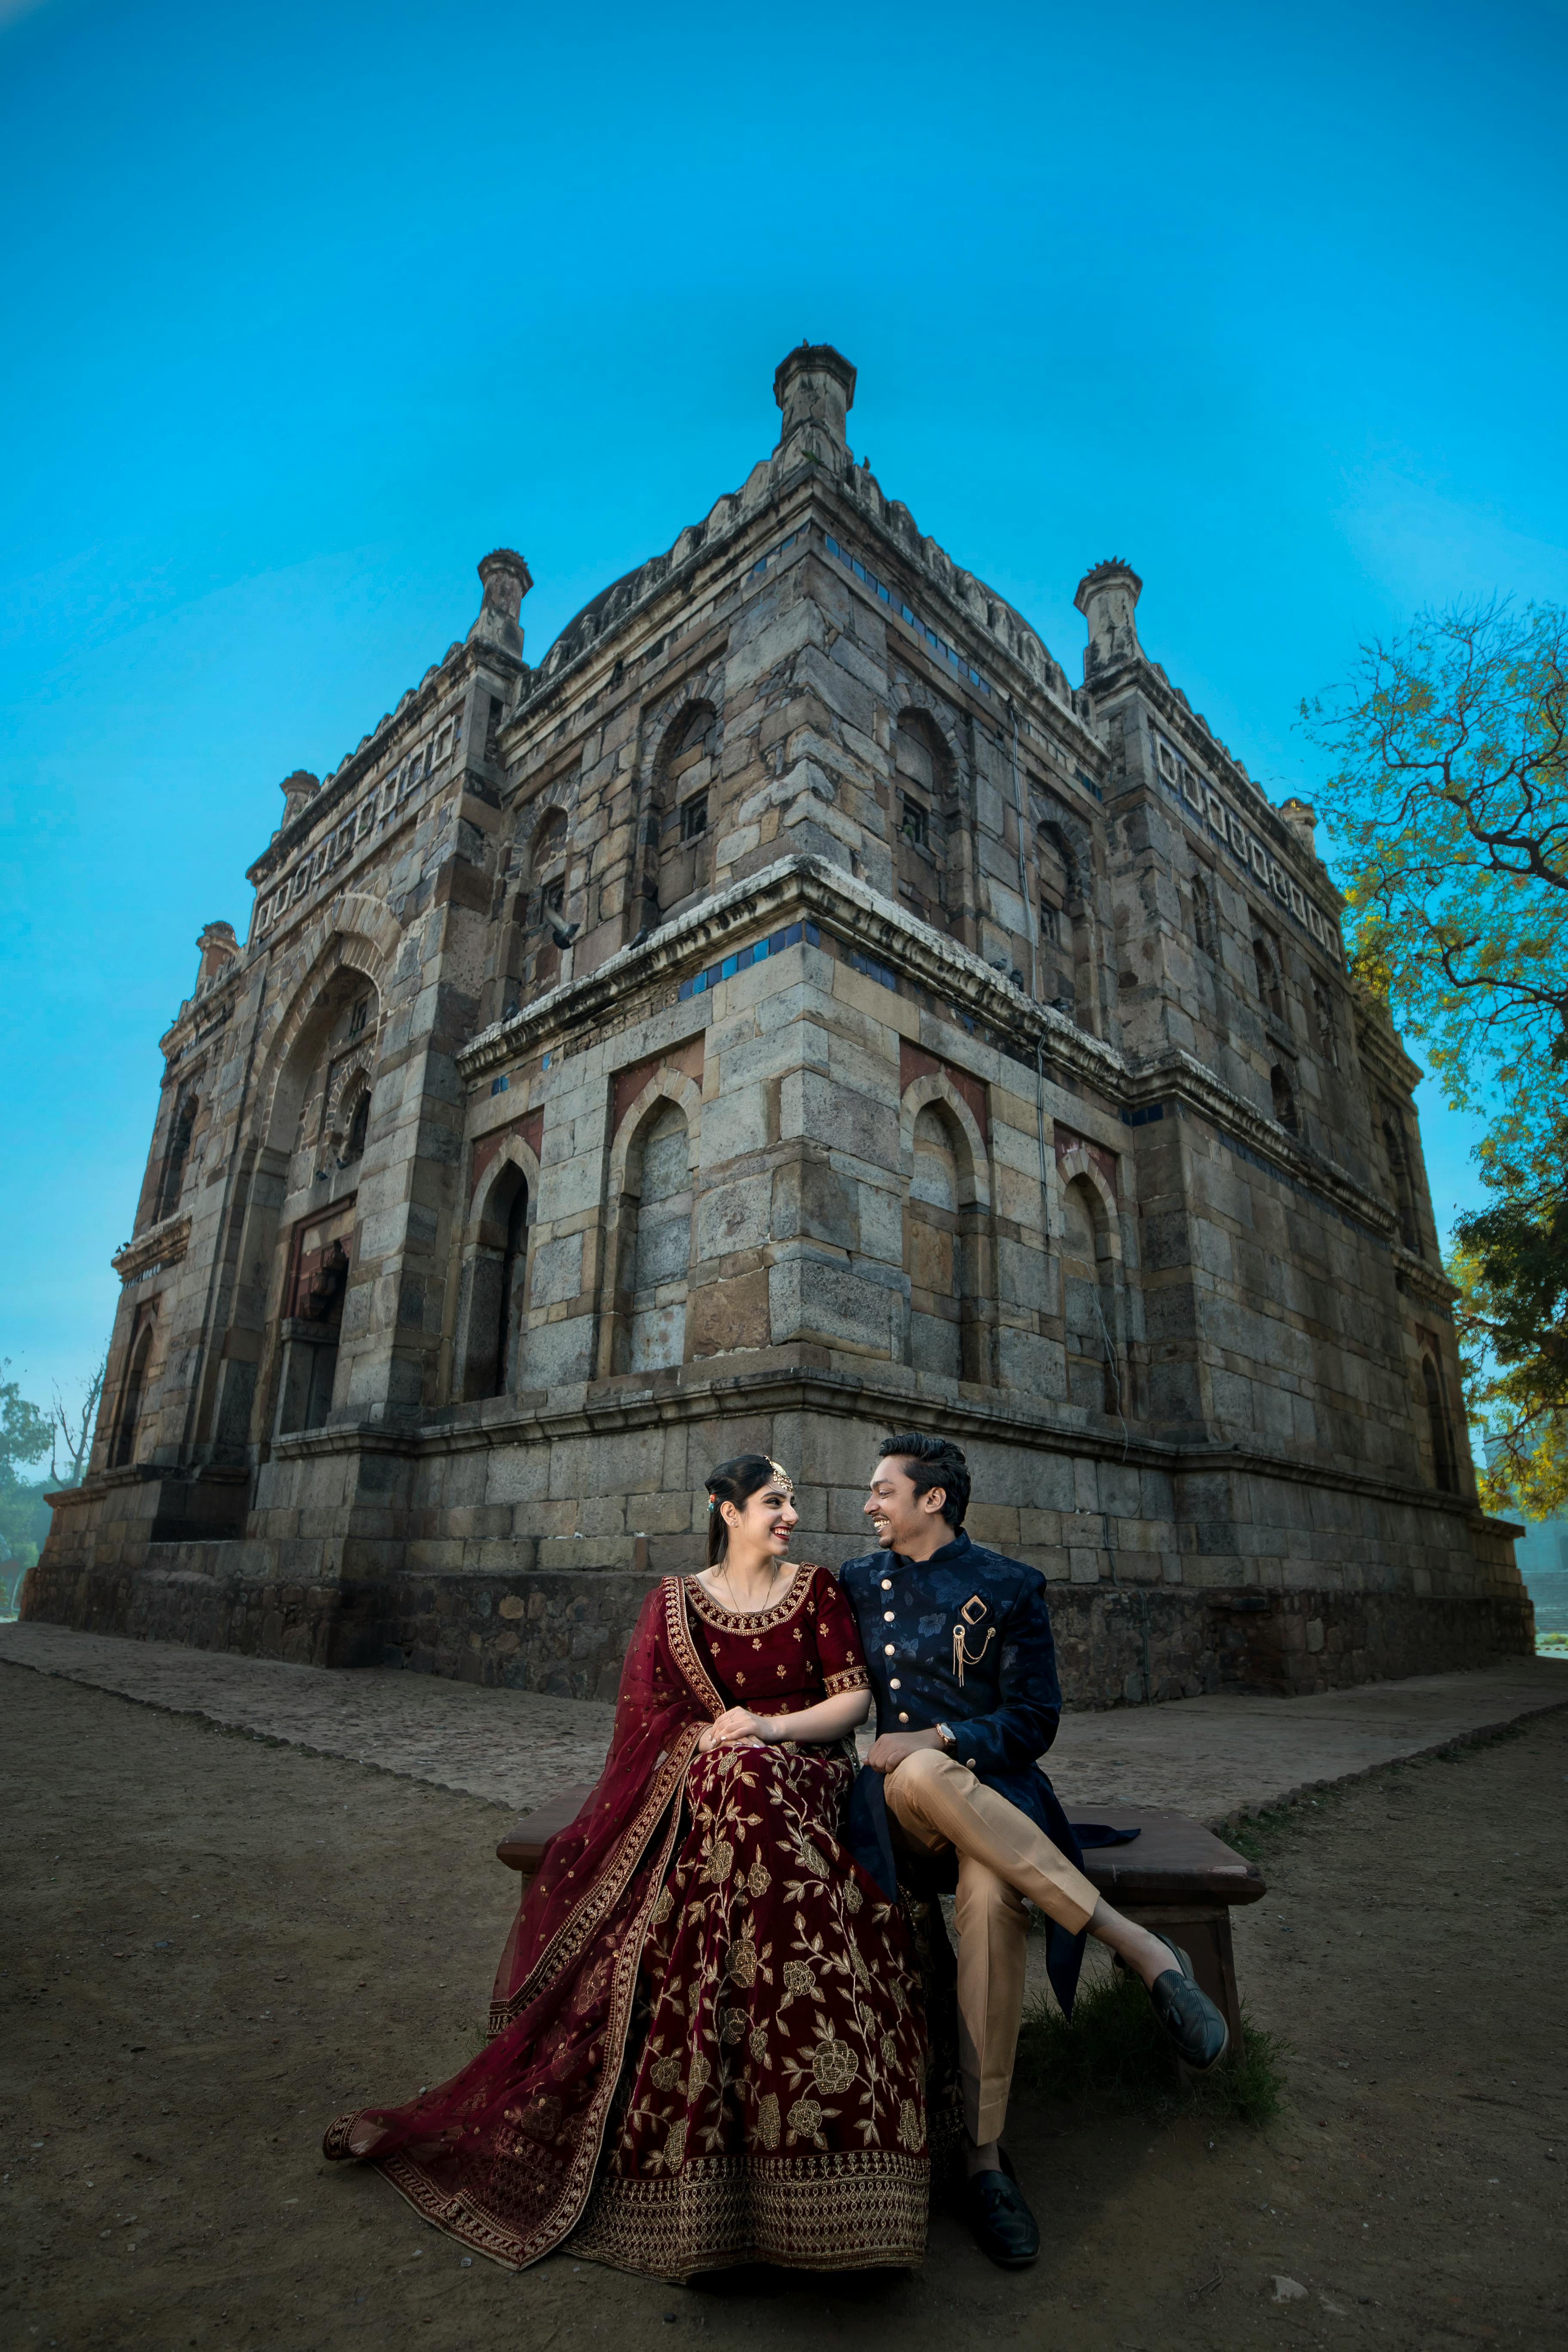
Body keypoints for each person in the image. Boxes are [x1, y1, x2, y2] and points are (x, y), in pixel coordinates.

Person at [324, 1455, 929, 2280]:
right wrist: (722, 1741)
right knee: (733, 1786)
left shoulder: (816, 1590)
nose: (791, 1516)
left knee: (747, 1782)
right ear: (726, 1510)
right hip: (707, 1790)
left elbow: (852, 1700)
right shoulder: (674, 1605)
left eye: (789, 1503)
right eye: (774, 1503)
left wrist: (768, 1729)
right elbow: (652, 1725)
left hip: (804, 1775)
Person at [839, 1432, 1229, 2270]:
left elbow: (1033, 1721)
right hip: (901, 1820)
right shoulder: (857, 1582)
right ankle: (1136, 1945)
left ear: (932, 1499)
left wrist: (942, 1737)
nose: (868, 1505)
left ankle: (984, 2160)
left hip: (999, 1813)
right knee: (916, 1773)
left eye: (883, 1491)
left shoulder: (1010, 1585)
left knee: (989, 1898)